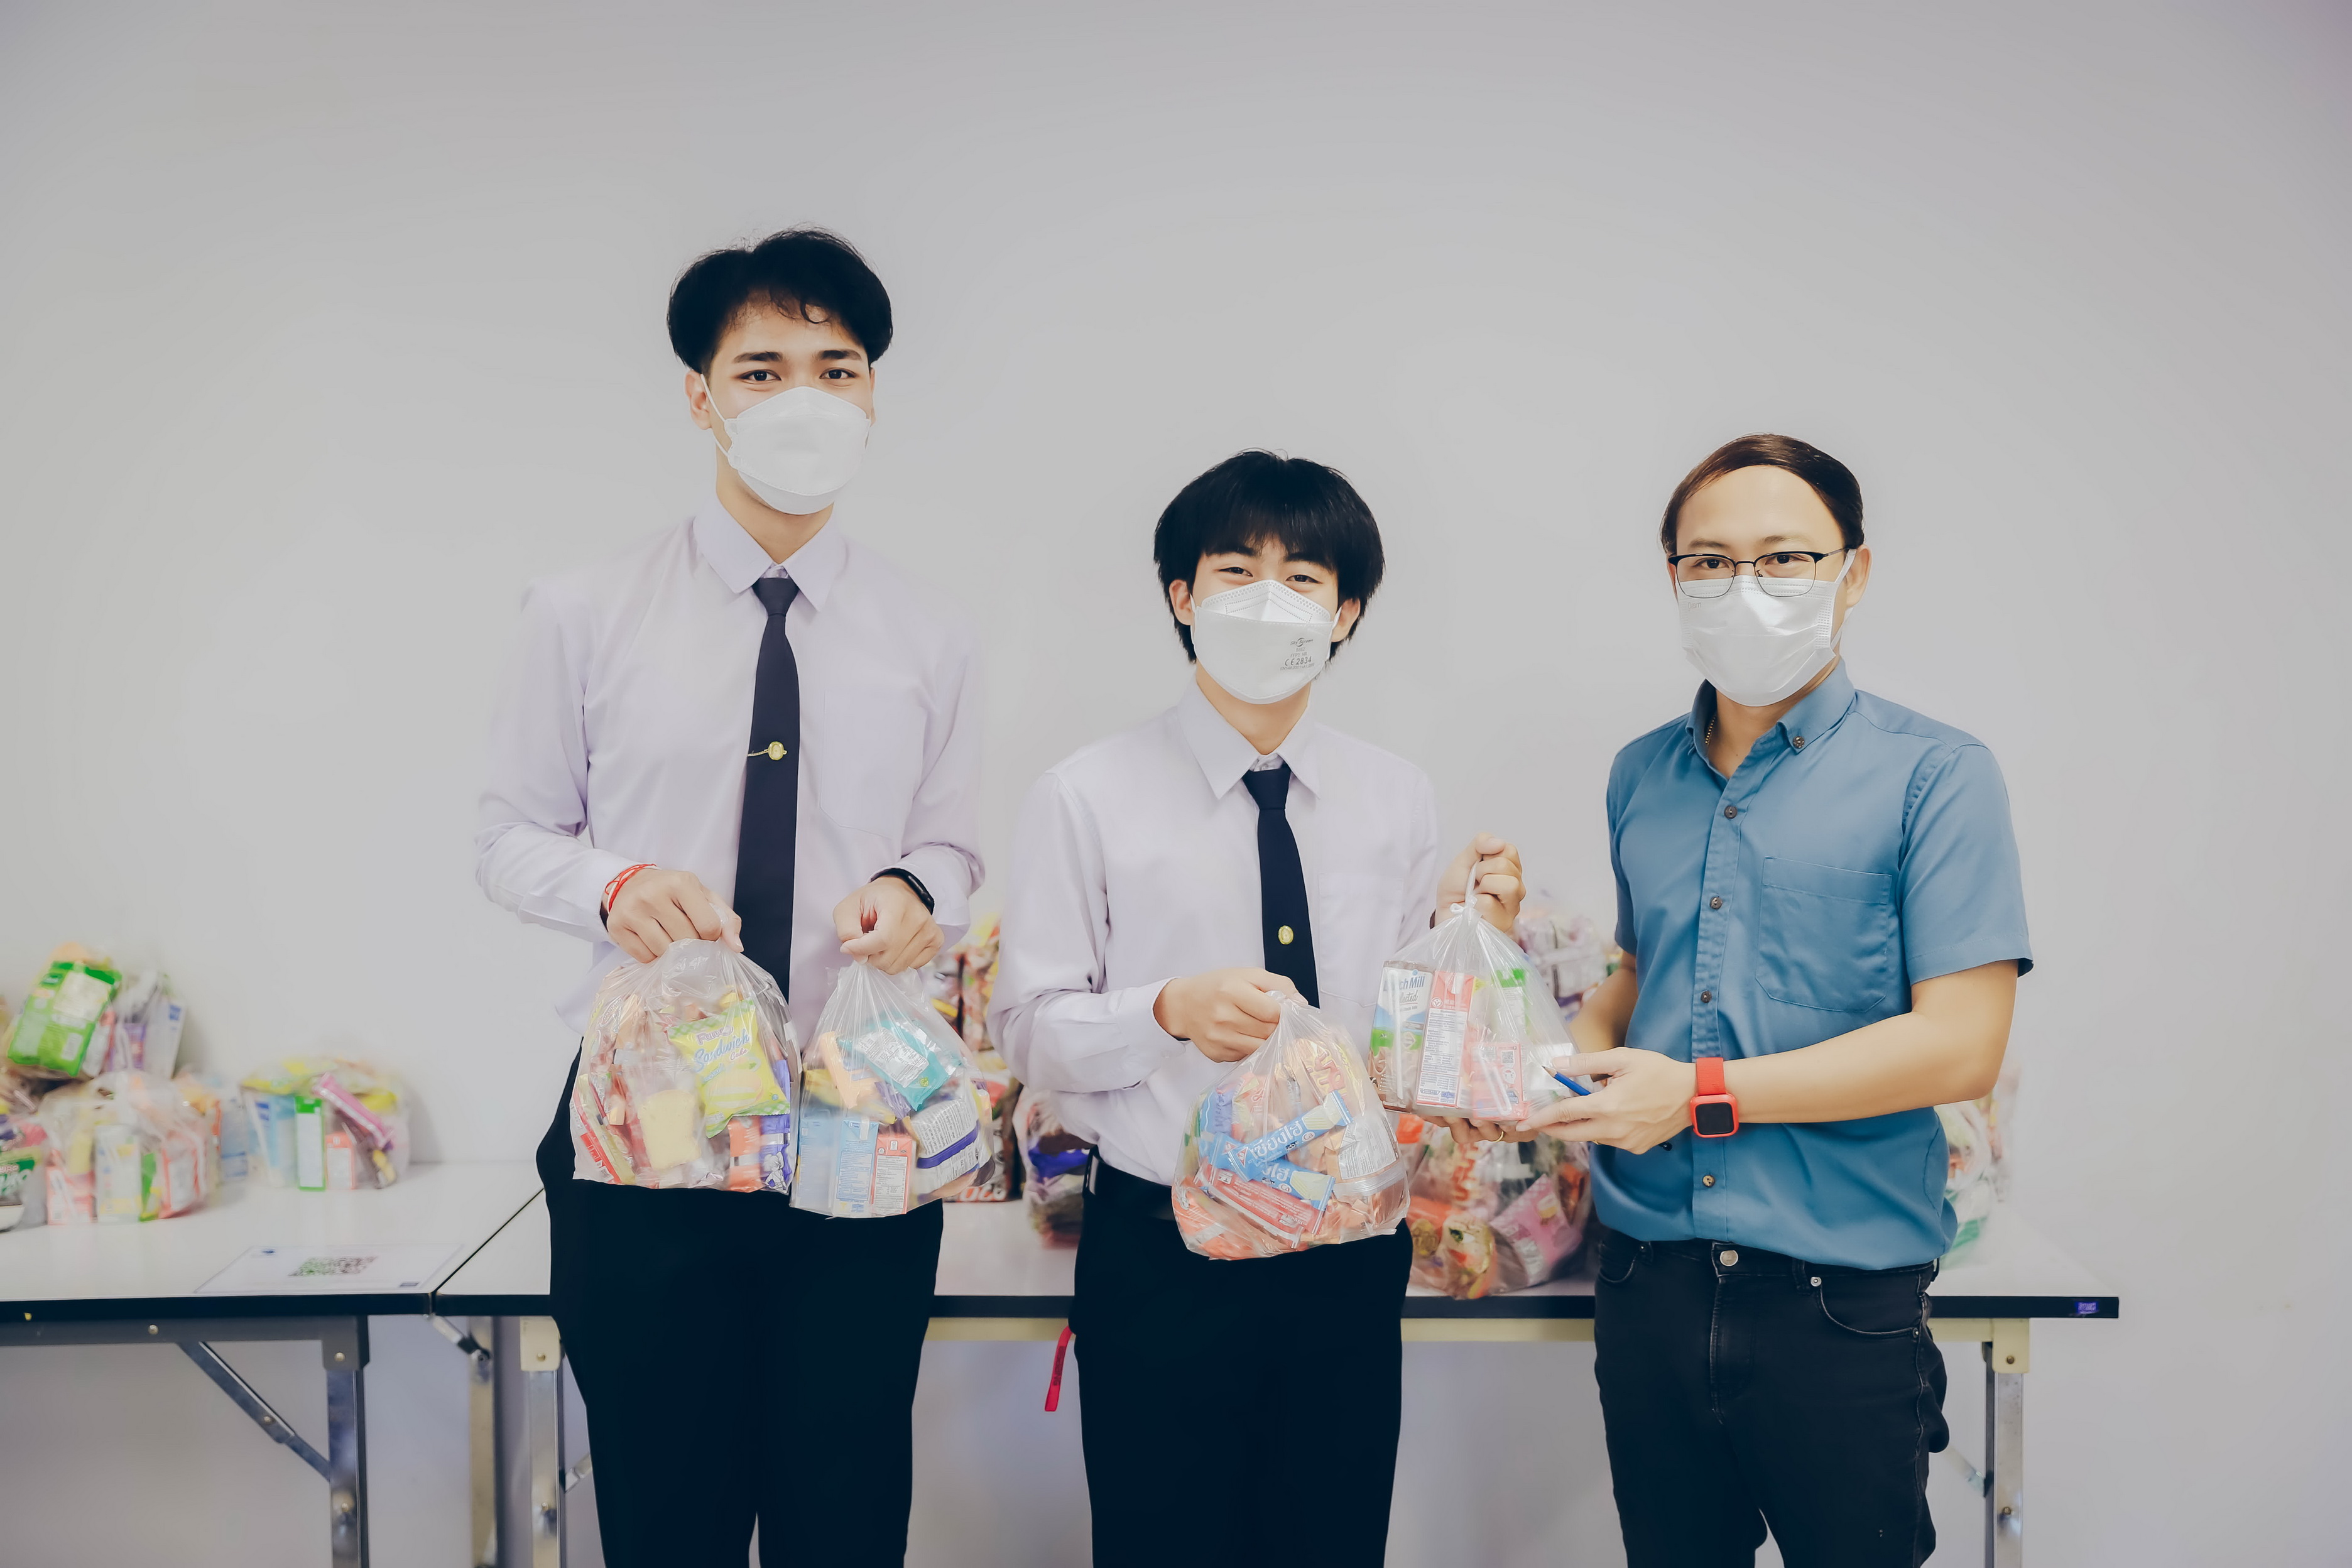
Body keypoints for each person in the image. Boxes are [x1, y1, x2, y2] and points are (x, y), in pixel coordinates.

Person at [475, 227, 983, 1567]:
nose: (802, 397)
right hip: (649, 1133)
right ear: (700, 396)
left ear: (871, 399)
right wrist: (613, 884)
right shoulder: (584, 611)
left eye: (836, 368)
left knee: (846, 1516)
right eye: (762, 370)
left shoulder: (932, 633)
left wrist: (915, 889)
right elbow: (508, 836)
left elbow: (956, 847)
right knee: (668, 1518)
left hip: (859, 1132)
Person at [989, 450, 1524, 1568]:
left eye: (1304, 578)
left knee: (1332, 1540)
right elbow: (1028, 1028)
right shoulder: (1085, 794)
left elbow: (1406, 1039)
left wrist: (1472, 940)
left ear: (1346, 613)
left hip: (1350, 1248)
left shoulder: (1395, 796)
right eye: (1236, 572)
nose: (1268, 600)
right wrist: (1165, 1011)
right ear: (1182, 596)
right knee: (1160, 1544)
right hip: (1161, 1248)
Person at [1523, 434, 2030, 1567]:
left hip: (1837, 1301)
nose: (1744, 586)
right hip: (1648, 1281)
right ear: (1673, 579)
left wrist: (1699, 1095)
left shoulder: (1936, 775)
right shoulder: (1640, 773)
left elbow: (1962, 1045)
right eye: (1709, 561)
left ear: (1854, 573)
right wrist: (1558, 1058)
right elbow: (1643, 973)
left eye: (1785, 557)